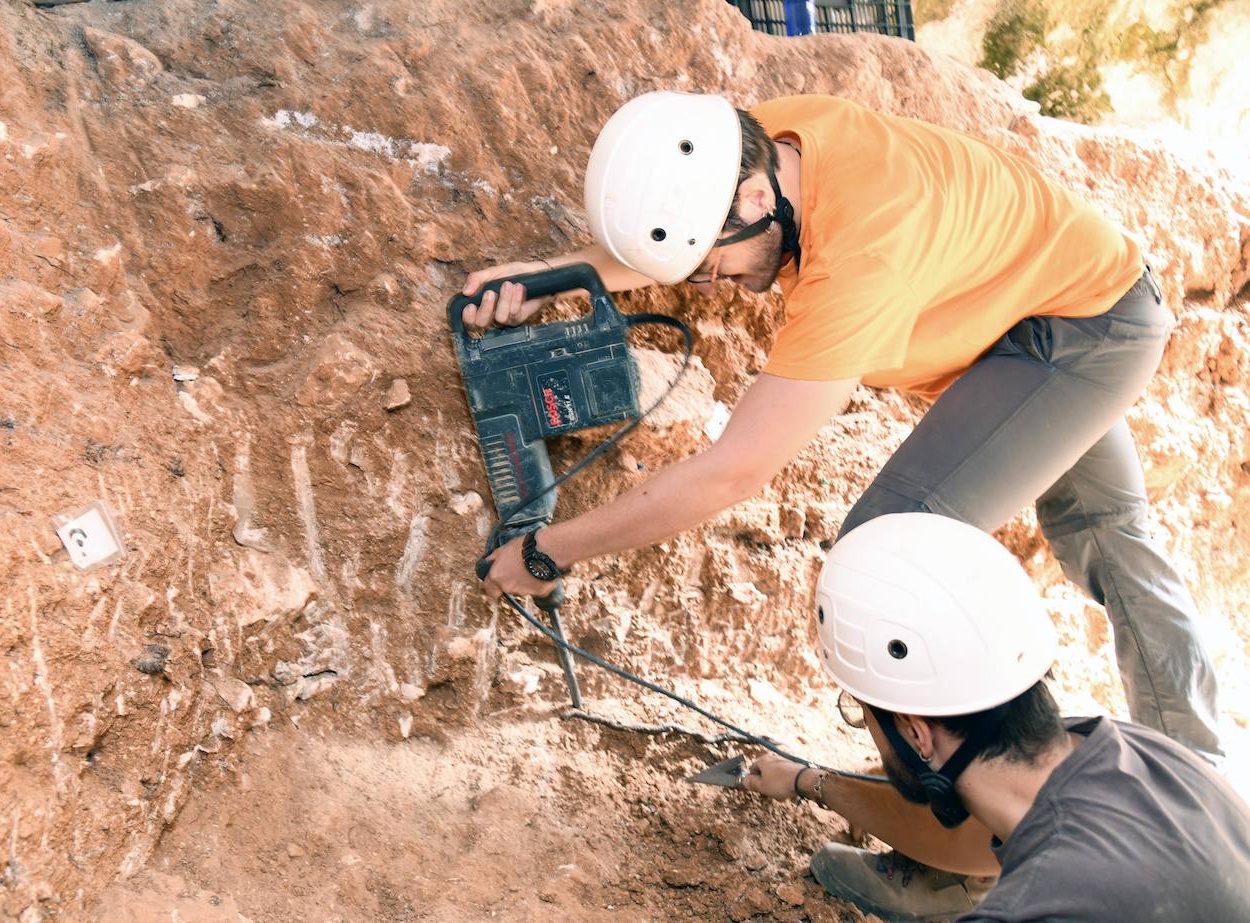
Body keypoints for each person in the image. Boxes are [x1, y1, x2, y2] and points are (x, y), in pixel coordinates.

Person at [460, 91, 1225, 916]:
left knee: (889, 563)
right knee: (1107, 533)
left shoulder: (858, 255)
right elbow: (687, 229)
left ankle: (956, 862)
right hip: (1048, 300)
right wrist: (552, 279)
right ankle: (1190, 782)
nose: (711, 284)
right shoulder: (766, 143)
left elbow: (733, 471)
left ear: (757, 199)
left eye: (709, 263)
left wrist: (548, 551)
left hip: (1080, 328)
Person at [737, 512, 1250, 922]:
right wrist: (808, 782)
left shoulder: (1031, 907)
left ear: (916, 733)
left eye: (861, 716)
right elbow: (968, 843)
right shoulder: (1140, 752)